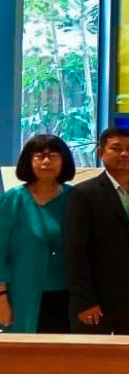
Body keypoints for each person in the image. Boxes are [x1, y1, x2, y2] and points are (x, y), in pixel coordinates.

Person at [64, 126, 129, 335]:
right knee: (93, 364)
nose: (124, 154)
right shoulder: (83, 194)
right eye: (116, 148)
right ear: (101, 152)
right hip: (96, 302)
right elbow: (75, 252)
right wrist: (84, 301)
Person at [0, 134, 76, 333]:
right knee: (24, 358)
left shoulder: (75, 199)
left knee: (63, 359)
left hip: (67, 296)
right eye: (39, 156)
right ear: (28, 161)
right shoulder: (13, 200)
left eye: (53, 156)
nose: (46, 161)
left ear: (64, 160)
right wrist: (1, 298)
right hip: (21, 293)